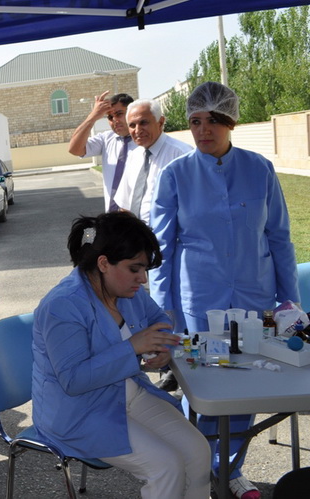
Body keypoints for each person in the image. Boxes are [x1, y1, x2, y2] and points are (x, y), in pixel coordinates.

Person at [149, 81, 300, 499]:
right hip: (200, 301)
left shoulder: (259, 169)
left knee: (245, 388)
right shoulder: (176, 175)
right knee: (203, 387)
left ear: (230, 122)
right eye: (196, 121)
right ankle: (193, 467)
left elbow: (279, 238)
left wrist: (290, 303)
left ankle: (228, 470)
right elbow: (162, 250)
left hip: (254, 299)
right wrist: (165, 313)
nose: (204, 130)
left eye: (214, 120)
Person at [32, 212, 210, 499]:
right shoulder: (62, 306)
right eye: (135, 268)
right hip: (79, 410)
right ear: (103, 263)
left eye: (144, 269)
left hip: (127, 392)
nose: (142, 278)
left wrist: (162, 347)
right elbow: (73, 380)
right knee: (166, 467)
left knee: (198, 452)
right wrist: (133, 347)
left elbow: (160, 320)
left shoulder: (127, 289)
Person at [114, 99, 192, 225]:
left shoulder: (182, 156)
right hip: (137, 239)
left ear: (160, 122)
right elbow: (125, 205)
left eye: (143, 123)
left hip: (168, 241)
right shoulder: (134, 155)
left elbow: (193, 207)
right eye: (132, 125)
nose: (137, 130)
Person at [68, 91, 137, 211]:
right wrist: (93, 116)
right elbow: (75, 149)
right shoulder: (106, 139)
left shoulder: (146, 142)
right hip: (112, 219)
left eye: (119, 114)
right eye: (110, 117)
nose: (114, 120)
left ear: (132, 113)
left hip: (139, 220)